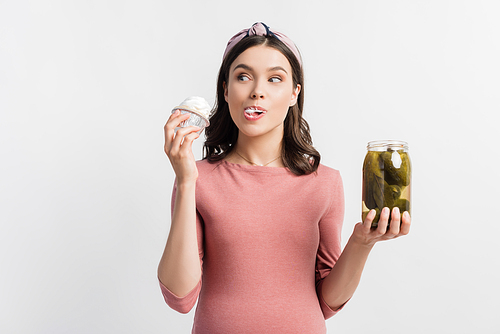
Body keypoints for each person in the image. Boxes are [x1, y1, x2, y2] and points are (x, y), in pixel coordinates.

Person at [158, 22, 411, 333]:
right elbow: (179, 297)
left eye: (274, 78)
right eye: (243, 76)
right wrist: (185, 181)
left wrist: (362, 242)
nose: (257, 91)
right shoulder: (198, 179)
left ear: (294, 93)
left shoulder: (325, 183)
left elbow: (327, 302)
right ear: (225, 89)